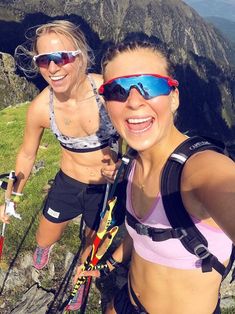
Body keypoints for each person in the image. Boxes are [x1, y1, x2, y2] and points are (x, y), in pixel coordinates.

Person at [75, 39, 235, 314]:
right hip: (126, 302)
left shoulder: (202, 170)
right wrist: (107, 264)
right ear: (107, 103)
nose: (135, 101)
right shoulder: (132, 164)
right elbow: (142, 234)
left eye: (151, 85)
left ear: (174, 97)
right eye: (117, 90)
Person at [0, 20, 125, 310]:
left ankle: (79, 281)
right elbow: (27, 154)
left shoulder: (108, 93)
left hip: (105, 189)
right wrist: (11, 200)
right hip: (67, 184)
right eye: (44, 60)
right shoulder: (42, 108)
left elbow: (141, 133)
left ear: (80, 55)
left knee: (91, 245)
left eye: (62, 57)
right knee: (45, 235)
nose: (53, 68)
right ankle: (45, 249)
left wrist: (125, 167)